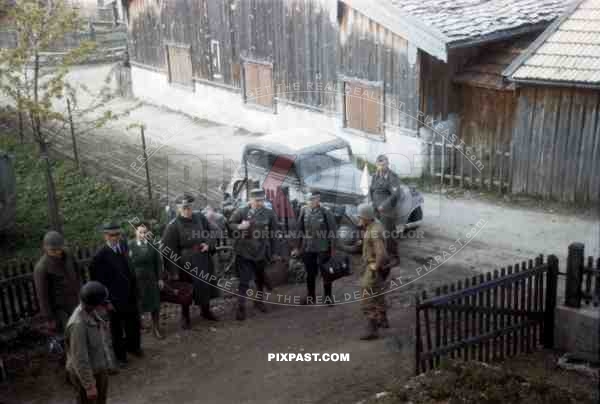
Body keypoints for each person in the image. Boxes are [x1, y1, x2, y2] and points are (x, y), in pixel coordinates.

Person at [161, 193, 219, 329]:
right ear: (178, 208)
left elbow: (213, 232)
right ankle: (185, 316)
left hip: (203, 258)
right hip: (185, 263)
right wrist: (173, 272)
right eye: (184, 208)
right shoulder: (173, 226)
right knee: (186, 291)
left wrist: (208, 244)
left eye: (189, 207)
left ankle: (206, 311)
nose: (187, 211)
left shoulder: (200, 217)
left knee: (205, 287)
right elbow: (168, 250)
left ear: (193, 206)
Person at [89, 222, 141, 367]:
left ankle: (134, 347)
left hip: (129, 293)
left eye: (118, 234)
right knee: (117, 329)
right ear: (105, 236)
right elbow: (97, 282)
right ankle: (121, 357)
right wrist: (106, 301)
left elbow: (129, 268)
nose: (116, 237)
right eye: (112, 235)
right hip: (114, 298)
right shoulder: (99, 256)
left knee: (133, 323)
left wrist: (135, 290)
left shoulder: (123, 246)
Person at [228, 188, 280, 321]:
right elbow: (230, 224)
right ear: (250, 200)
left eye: (262, 200)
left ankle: (259, 301)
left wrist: (274, 253)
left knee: (260, 279)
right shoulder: (242, 211)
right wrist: (239, 227)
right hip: (244, 251)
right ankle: (241, 307)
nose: (260, 203)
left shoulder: (269, 213)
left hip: (261, 252)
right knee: (244, 281)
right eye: (257, 200)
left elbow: (274, 235)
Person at [65, 281, 114, 404]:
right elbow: (79, 358)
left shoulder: (91, 312)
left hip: (98, 368)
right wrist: (89, 386)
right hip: (85, 375)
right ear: (94, 304)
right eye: (102, 302)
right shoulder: (78, 326)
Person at [292, 191, 337, 305]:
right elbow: (300, 229)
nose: (311, 202)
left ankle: (328, 297)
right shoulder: (304, 210)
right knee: (310, 273)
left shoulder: (325, 211)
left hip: (323, 247)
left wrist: (332, 249)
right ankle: (311, 297)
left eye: (313, 199)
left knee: (326, 272)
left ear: (318, 199)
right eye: (309, 199)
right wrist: (297, 247)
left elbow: (333, 231)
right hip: (308, 247)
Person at [33, 231, 81, 337]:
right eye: (53, 250)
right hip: (60, 310)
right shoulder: (41, 268)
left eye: (59, 249)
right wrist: (49, 318)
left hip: (75, 303)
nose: (57, 252)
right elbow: (42, 296)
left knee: (82, 333)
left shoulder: (68, 255)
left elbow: (77, 274)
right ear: (45, 248)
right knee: (70, 337)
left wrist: (80, 292)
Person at [357, 203, 389, 340]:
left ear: (366, 217)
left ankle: (372, 328)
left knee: (367, 295)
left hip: (374, 267)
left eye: (361, 217)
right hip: (377, 267)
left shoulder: (374, 230)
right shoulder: (375, 224)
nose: (359, 219)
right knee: (378, 292)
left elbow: (380, 252)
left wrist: (375, 266)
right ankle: (383, 318)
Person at [128, 221, 164, 339]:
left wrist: (160, 279)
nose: (143, 235)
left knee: (155, 304)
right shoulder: (130, 245)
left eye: (145, 232)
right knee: (138, 304)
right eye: (140, 232)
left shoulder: (153, 245)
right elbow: (127, 264)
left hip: (151, 278)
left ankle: (156, 327)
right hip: (137, 280)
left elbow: (158, 263)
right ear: (135, 232)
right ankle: (139, 326)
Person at [369, 154, 402, 264]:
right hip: (376, 209)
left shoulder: (392, 177)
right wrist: (371, 202)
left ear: (388, 164)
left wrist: (383, 205)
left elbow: (395, 195)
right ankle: (381, 255)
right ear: (376, 165)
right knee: (378, 233)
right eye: (380, 165)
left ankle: (394, 257)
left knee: (389, 234)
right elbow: (371, 190)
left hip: (387, 211)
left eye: (384, 165)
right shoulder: (375, 176)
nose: (382, 167)